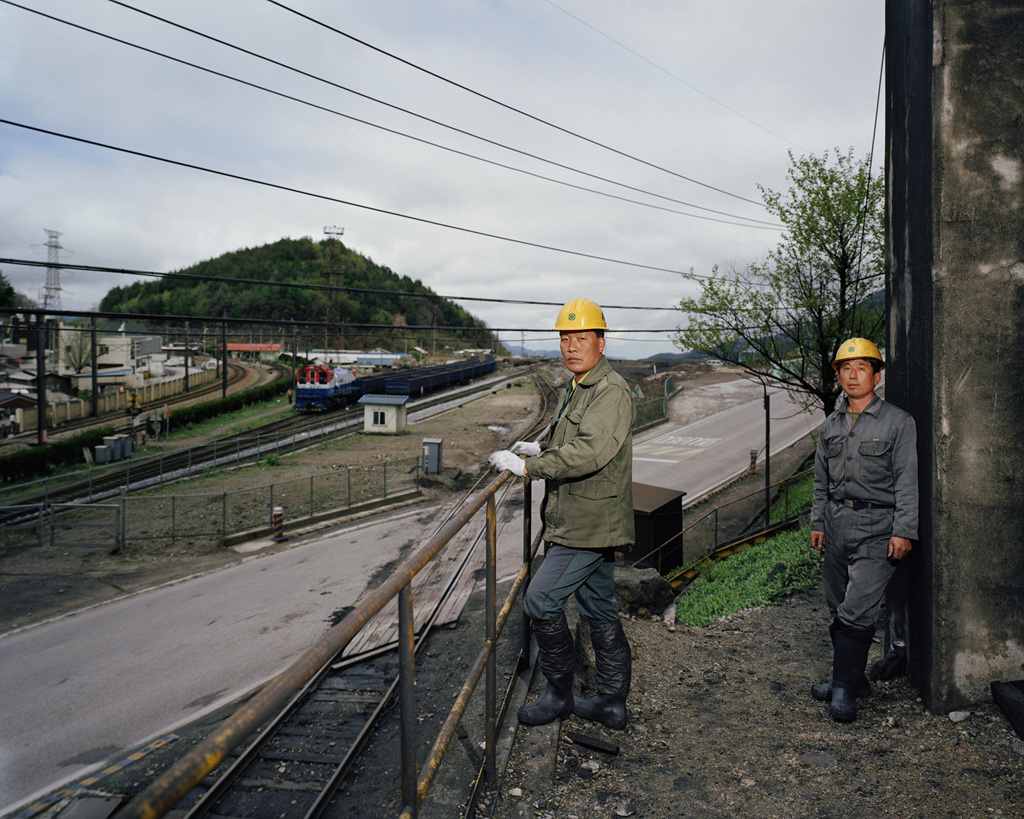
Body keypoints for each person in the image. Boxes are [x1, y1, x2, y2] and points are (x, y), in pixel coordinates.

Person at [488, 297, 635, 730]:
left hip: (587, 524)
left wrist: (528, 468)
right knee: (599, 607)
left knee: (540, 600)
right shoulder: (579, 385)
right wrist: (542, 447)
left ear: (601, 343)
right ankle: (611, 702)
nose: (571, 346)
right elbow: (569, 435)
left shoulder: (610, 391)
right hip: (580, 517)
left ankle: (559, 693)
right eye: (565, 338)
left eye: (581, 338)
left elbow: (589, 451)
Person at [809, 337, 919, 722]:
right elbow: (820, 482)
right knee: (837, 603)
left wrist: (904, 530)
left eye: (862, 368)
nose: (853, 375)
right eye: (846, 369)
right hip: (837, 523)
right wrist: (818, 522)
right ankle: (853, 679)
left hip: (879, 527)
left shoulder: (898, 422)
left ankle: (842, 690)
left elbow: (907, 480)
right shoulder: (830, 426)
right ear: (838, 375)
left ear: (876, 375)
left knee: (857, 610)